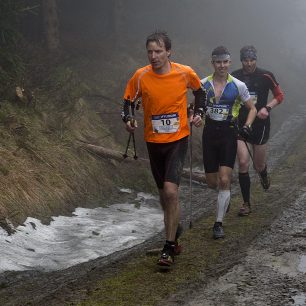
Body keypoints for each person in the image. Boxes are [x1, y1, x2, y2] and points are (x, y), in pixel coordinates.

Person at [121, 31, 206, 268]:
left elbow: (201, 93)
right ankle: (174, 230)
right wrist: (128, 120)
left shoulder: (184, 73)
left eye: (158, 51)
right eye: (150, 51)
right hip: (153, 141)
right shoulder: (140, 76)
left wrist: (198, 114)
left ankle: (168, 248)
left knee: (170, 191)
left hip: (178, 139)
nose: (153, 56)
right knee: (163, 195)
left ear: (168, 51)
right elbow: (128, 101)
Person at [201, 46, 257, 239]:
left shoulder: (239, 85)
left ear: (230, 62)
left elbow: (252, 109)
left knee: (224, 179)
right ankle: (225, 197)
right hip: (209, 133)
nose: (222, 65)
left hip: (228, 133)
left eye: (225, 62)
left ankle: (218, 224)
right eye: (218, 62)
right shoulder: (202, 84)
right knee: (212, 182)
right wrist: (195, 116)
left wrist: (247, 126)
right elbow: (194, 107)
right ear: (213, 63)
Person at [232, 45, 284, 216]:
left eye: (252, 60)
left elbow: (279, 96)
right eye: (245, 60)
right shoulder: (234, 76)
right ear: (241, 60)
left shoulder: (266, 75)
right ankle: (246, 203)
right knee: (244, 163)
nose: (249, 63)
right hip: (242, 124)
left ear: (256, 59)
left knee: (258, 164)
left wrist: (267, 108)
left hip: (260, 124)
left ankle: (263, 174)